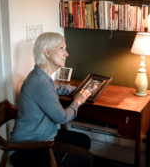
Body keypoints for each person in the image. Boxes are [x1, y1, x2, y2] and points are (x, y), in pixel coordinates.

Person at [9, 32, 93, 167]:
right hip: (27, 148)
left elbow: (58, 87)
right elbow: (62, 117)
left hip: (43, 136)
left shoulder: (40, 75)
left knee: (84, 141)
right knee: (86, 159)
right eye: (61, 48)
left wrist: (78, 90)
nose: (66, 54)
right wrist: (77, 101)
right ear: (47, 52)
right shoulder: (40, 84)